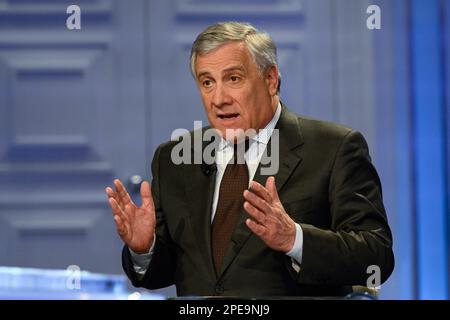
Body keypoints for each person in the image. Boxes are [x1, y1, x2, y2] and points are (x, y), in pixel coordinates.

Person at [105, 22, 394, 297]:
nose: (219, 98)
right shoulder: (174, 159)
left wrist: (294, 239)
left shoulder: (334, 148)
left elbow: (376, 258)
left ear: (270, 79)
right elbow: (163, 273)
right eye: (207, 82)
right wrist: (145, 249)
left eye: (233, 79)